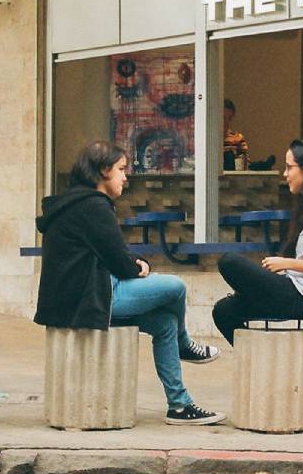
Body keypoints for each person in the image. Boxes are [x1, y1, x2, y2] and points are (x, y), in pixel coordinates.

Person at [35, 140, 225, 426]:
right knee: (175, 287)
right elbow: (121, 264)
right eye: (121, 169)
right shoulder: (94, 206)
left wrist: (135, 263)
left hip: (76, 297)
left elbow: (114, 252)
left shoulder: (75, 204)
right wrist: (138, 266)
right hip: (90, 298)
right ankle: (184, 344)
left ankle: (179, 405)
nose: (126, 177)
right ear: (103, 171)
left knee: (165, 324)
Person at [213, 139, 303, 345]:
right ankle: (258, 362)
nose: (285, 174)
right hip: (299, 287)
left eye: (289, 167)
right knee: (224, 312)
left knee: (229, 262)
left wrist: (286, 263)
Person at [222, 98, 249, 171]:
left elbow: (245, 166)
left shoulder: (237, 138)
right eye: (223, 118)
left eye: (229, 119)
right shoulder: (207, 138)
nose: (226, 122)